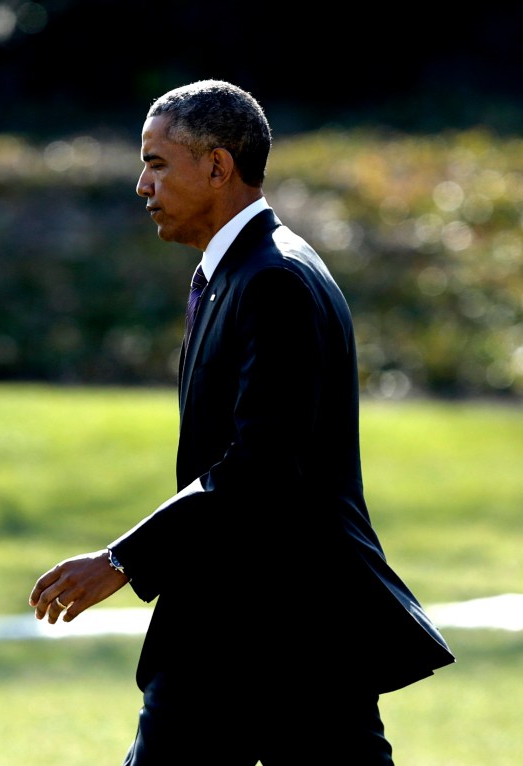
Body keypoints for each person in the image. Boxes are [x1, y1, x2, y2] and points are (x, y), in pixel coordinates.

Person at [28, 79, 455, 765]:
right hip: (245, 626)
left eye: (158, 163)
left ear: (219, 166)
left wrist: (121, 560)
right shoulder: (237, 273)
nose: (141, 185)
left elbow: (261, 466)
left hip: (284, 630)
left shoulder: (274, 280)